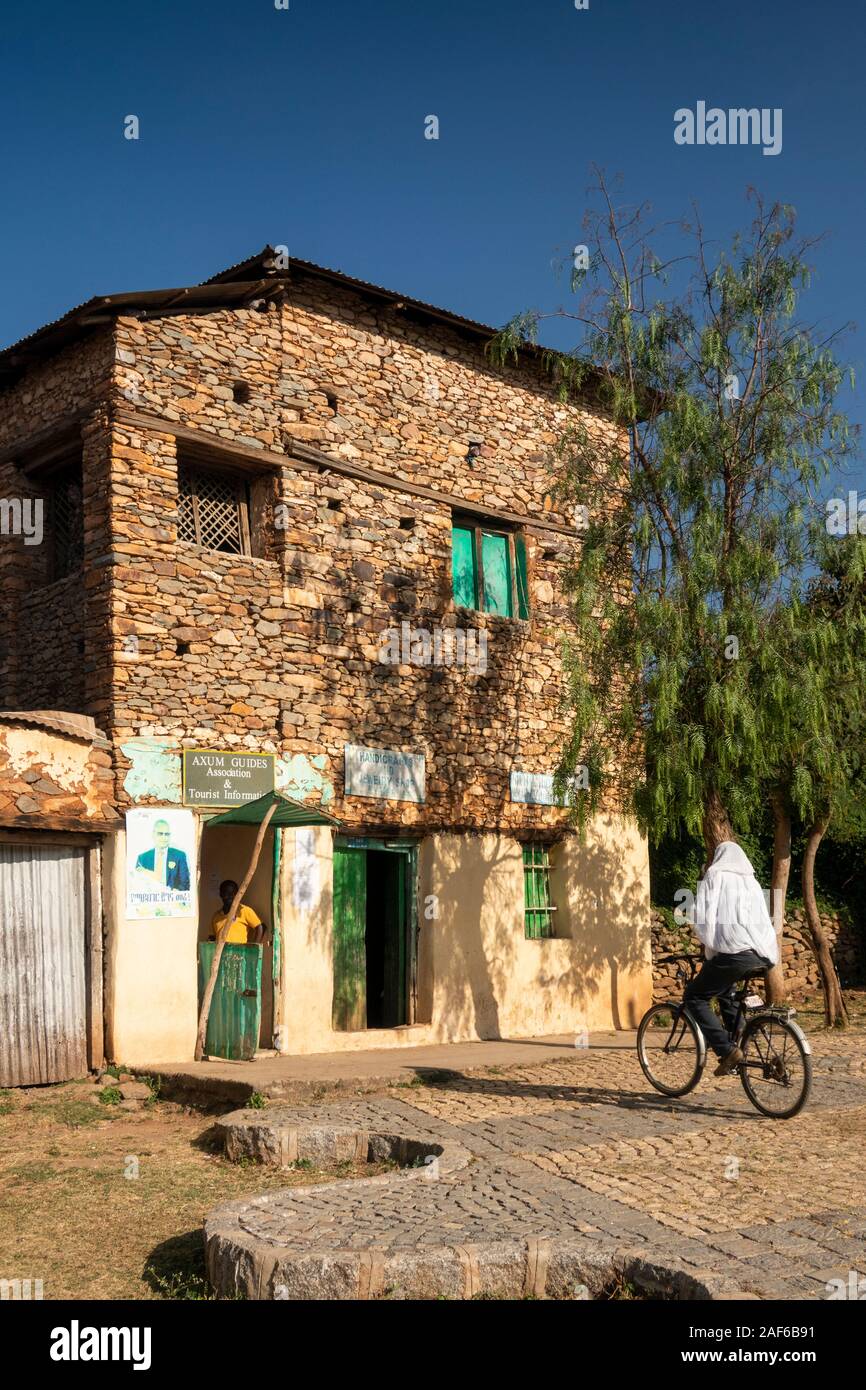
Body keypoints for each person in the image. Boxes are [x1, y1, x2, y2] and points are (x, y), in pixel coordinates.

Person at [684, 840, 779, 1076]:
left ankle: (726, 1050)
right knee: (726, 992)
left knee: (694, 997)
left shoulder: (715, 875)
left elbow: (705, 913)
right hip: (762, 954)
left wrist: (705, 936)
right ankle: (741, 1039)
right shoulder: (751, 881)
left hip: (735, 954)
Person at [135, 818, 190, 890]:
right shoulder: (143, 858)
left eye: (167, 834)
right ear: (153, 835)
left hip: (171, 897)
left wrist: (176, 893)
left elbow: (185, 884)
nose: (164, 837)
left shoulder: (180, 856)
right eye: (160, 834)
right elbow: (137, 885)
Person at [210, 879, 267, 945]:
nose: (230, 896)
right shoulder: (216, 917)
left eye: (233, 893)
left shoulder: (243, 910)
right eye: (227, 893)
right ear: (221, 894)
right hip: (222, 951)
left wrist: (253, 947)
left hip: (239, 951)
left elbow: (260, 927)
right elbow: (215, 936)